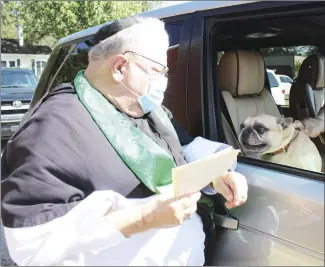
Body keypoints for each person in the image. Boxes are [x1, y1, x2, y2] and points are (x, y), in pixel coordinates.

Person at [1, 16, 248, 266]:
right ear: (120, 67)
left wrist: (216, 174)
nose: (164, 81)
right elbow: (29, 241)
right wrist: (143, 218)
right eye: (157, 70)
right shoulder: (53, 126)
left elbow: (181, 150)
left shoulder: (149, 111)